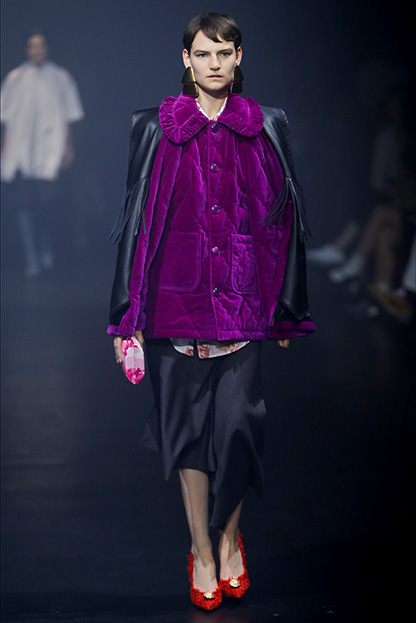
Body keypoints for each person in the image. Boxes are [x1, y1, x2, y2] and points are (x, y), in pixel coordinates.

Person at [108, 13, 315, 611]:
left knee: (239, 432)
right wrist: (126, 317)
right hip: (174, 303)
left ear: (239, 57)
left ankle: (230, 537)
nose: (214, 63)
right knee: (188, 439)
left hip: (243, 302)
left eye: (224, 53)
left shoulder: (265, 125)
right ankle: (203, 549)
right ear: (187, 60)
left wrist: (286, 307)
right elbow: (137, 225)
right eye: (203, 53)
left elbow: (285, 220)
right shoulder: (157, 128)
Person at [1, 30, 84, 277]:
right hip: (21, 153)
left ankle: (46, 249)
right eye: (32, 45)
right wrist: (5, 149)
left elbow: (69, 115)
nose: (36, 50)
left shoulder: (60, 77)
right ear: (27, 49)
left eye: (40, 45)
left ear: (47, 48)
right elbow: (7, 118)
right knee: (23, 206)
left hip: (49, 152)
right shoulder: (15, 77)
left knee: (47, 205)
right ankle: (32, 257)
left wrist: (68, 146)